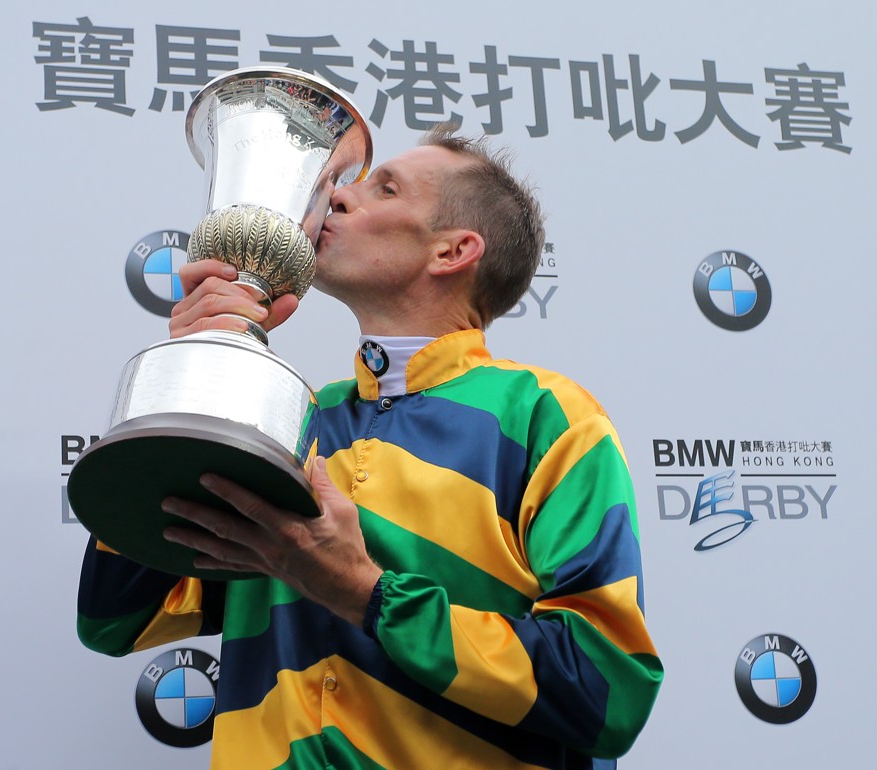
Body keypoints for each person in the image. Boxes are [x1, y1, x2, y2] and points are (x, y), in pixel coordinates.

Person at [77, 126, 663, 770]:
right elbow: (117, 620)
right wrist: (200, 374)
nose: (341, 197)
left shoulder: (547, 419)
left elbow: (608, 693)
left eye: (384, 188)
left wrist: (364, 592)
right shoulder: (294, 418)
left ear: (453, 250)